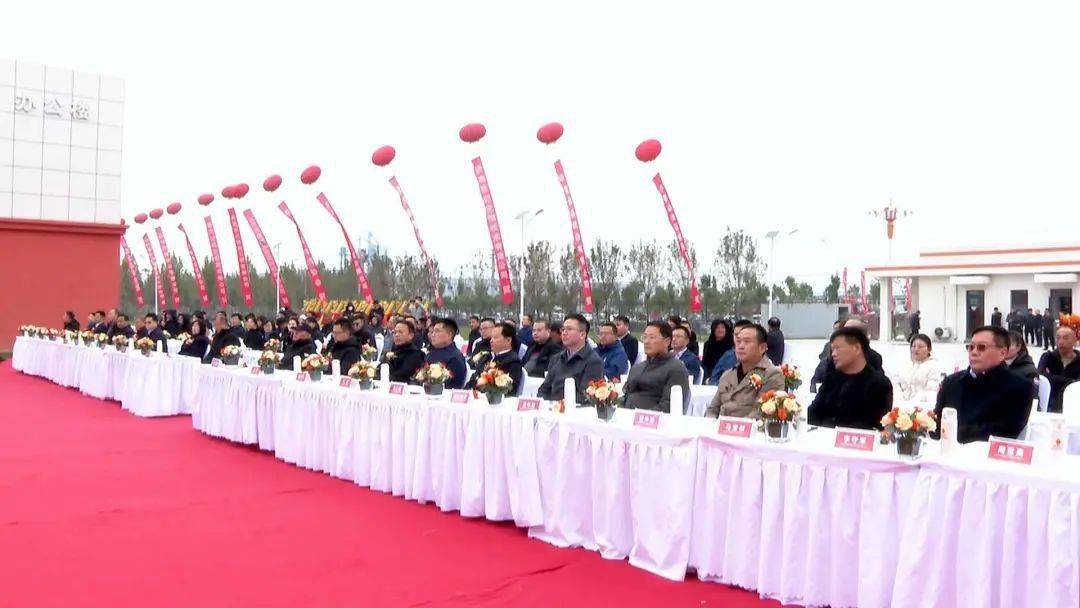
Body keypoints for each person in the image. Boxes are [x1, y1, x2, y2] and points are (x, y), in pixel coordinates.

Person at [934, 326, 1033, 442]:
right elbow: (937, 423)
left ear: (1002, 353)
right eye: (971, 347)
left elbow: (1006, 432)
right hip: (945, 449)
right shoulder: (951, 382)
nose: (974, 352)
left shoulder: (1019, 386)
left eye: (981, 347)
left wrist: (955, 432)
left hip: (987, 451)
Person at [808, 327, 893, 430]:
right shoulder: (831, 378)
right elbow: (813, 413)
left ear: (856, 348)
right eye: (832, 349)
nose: (833, 354)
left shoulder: (880, 384)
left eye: (838, 348)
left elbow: (876, 425)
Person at [706, 323, 785, 418]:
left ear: (762, 348)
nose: (740, 346)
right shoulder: (728, 374)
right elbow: (712, 409)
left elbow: (760, 413)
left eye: (747, 341)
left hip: (749, 426)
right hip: (720, 425)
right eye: (738, 341)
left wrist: (730, 425)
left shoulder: (772, 375)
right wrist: (711, 422)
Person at [537, 314, 605, 404]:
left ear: (582, 334)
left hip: (575, 409)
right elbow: (544, 389)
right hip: (551, 407)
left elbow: (586, 396)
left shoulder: (593, 361)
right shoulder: (556, 358)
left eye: (569, 329)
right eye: (563, 329)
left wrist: (560, 404)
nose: (564, 333)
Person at [623, 321, 690, 412]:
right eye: (645, 337)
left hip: (651, 418)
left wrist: (640, 416)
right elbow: (624, 395)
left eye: (652, 337)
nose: (646, 341)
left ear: (667, 341)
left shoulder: (677, 369)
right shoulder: (637, 368)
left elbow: (669, 406)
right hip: (625, 415)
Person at [466, 322, 523, 394]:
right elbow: (474, 378)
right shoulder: (487, 357)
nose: (491, 341)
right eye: (491, 337)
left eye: (495, 338)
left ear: (508, 340)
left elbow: (508, 390)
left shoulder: (513, 362)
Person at [1037, 325, 1080, 412]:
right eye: (1058, 338)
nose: (1061, 341)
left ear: (1075, 340)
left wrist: (1051, 377)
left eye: (1065, 338)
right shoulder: (1048, 357)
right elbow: (1041, 377)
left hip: (1074, 404)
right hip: (1049, 404)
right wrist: (1071, 381)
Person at [892, 334, 942, 404]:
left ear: (929, 349)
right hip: (900, 403)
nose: (916, 349)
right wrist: (899, 398)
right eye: (913, 346)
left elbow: (931, 391)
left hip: (922, 404)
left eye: (920, 347)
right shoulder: (905, 363)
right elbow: (896, 382)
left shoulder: (933, 366)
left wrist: (913, 403)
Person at [425, 318, 468, 390]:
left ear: (450, 335)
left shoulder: (455, 358)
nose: (433, 335)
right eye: (433, 331)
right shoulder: (431, 353)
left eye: (437, 331)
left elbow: (452, 386)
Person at [1005, 330, 1039, 395]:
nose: (1004, 348)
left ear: (1018, 347)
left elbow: (1032, 396)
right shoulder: (995, 366)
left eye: (1008, 345)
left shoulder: (1029, 371)